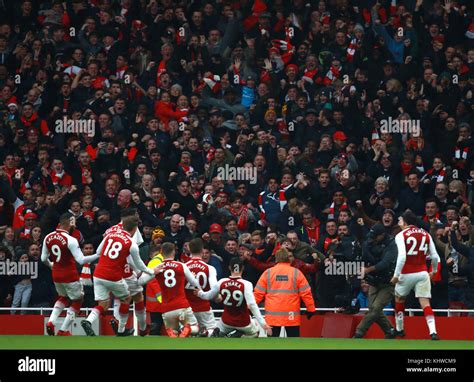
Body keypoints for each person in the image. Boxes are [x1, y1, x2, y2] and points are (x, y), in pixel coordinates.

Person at [81, 214, 154, 336]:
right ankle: (123, 330)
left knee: (103, 304)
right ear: (135, 229)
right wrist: (150, 271)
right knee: (129, 298)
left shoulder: (110, 234)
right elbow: (137, 263)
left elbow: (98, 252)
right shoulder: (131, 243)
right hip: (117, 273)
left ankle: (88, 320)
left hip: (98, 273)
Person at [41, 212, 99, 335]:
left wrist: (51, 265)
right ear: (70, 224)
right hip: (70, 274)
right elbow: (81, 260)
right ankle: (63, 330)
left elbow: (43, 258)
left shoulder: (48, 237)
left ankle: (51, 322)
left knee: (64, 297)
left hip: (56, 274)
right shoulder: (71, 240)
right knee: (78, 300)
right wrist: (97, 255)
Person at [391, 211, 441, 340]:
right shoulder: (426, 234)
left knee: (399, 300)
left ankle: (400, 330)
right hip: (422, 273)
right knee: (425, 302)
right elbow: (435, 256)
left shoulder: (400, 235)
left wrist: (396, 275)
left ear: (405, 222)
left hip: (406, 273)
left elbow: (402, 257)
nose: (399, 223)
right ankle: (433, 332)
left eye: (400, 220)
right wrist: (434, 272)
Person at [197, 257, 272, 338]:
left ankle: (207, 333)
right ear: (242, 268)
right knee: (256, 332)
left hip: (225, 321)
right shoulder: (246, 284)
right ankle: (236, 335)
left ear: (229, 267)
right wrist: (263, 323)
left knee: (216, 332)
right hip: (243, 322)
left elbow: (208, 296)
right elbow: (251, 304)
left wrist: (199, 293)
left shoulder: (222, 282)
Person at [140, 242, 200, 338]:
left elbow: (140, 281)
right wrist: (193, 277)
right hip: (182, 306)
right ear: (173, 253)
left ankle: (175, 332)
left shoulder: (158, 267)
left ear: (161, 252)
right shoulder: (181, 266)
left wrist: (153, 272)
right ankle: (186, 328)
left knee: (174, 334)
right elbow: (195, 283)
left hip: (167, 309)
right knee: (195, 328)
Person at [105, 208, 150, 336]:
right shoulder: (132, 228)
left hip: (109, 268)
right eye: (136, 214)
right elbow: (132, 252)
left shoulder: (111, 229)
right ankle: (141, 328)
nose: (137, 217)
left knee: (120, 296)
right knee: (137, 297)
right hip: (126, 268)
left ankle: (118, 320)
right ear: (130, 217)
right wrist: (138, 270)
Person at [254, 248, 316, 337]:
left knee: (272, 345)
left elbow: (258, 294)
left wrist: (249, 308)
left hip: (273, 315)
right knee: (293, 344)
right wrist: (311, 308)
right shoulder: (296, 273)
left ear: (276, 259)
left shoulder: (268, 273)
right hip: (291, 315)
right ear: (288, 258)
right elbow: (306, 293)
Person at [354, 224, 397, 339]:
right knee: (373, 309)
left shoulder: (392, 245)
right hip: (373, 280)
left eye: (374, 237)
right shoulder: (370, 240)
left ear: (382, 235)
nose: (371, 239)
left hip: (388, 282)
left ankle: (359, 332)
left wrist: (367, 269)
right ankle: (390, 330)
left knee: (375, 308)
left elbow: (385, 263)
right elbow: (364, 256)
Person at [185, 238, 218, 337]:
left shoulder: (183, 267)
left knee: (189, 333)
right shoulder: (210, 268)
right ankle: (205, 332)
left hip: (187, 307)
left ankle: (191, 330)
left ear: (189, 249)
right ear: (202, 250)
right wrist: (217, 297)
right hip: (204, 307)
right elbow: (214, 289)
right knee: (212, 331)